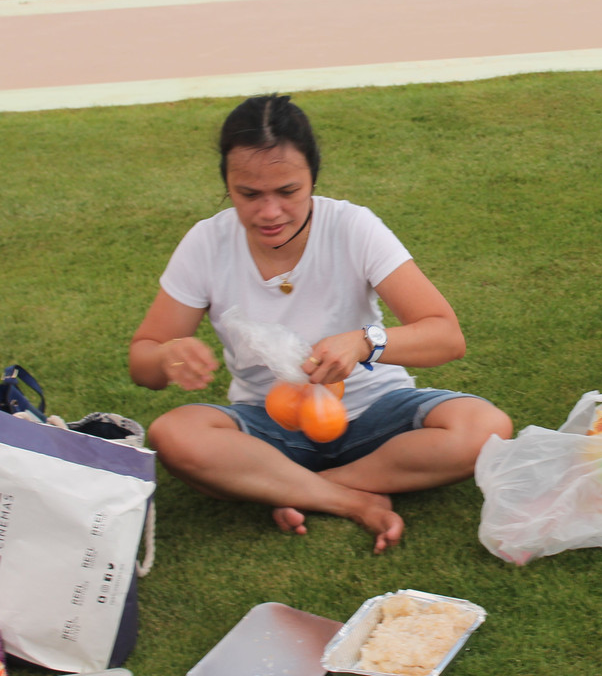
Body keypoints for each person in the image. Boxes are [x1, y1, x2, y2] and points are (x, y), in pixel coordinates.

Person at [129, 94, 512, 554]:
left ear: (312, 177)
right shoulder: (207, 242)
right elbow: (143, 361)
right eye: (249, 195)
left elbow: (446, 335)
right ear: (227, 185)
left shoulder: (352, 226)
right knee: (175, 435)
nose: (269, 212)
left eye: (287, 192)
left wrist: (365, 342)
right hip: (270, 422)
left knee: (485, 426)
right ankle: (350, 500)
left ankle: (295, 487)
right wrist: (166, 356)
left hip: (377, 410)